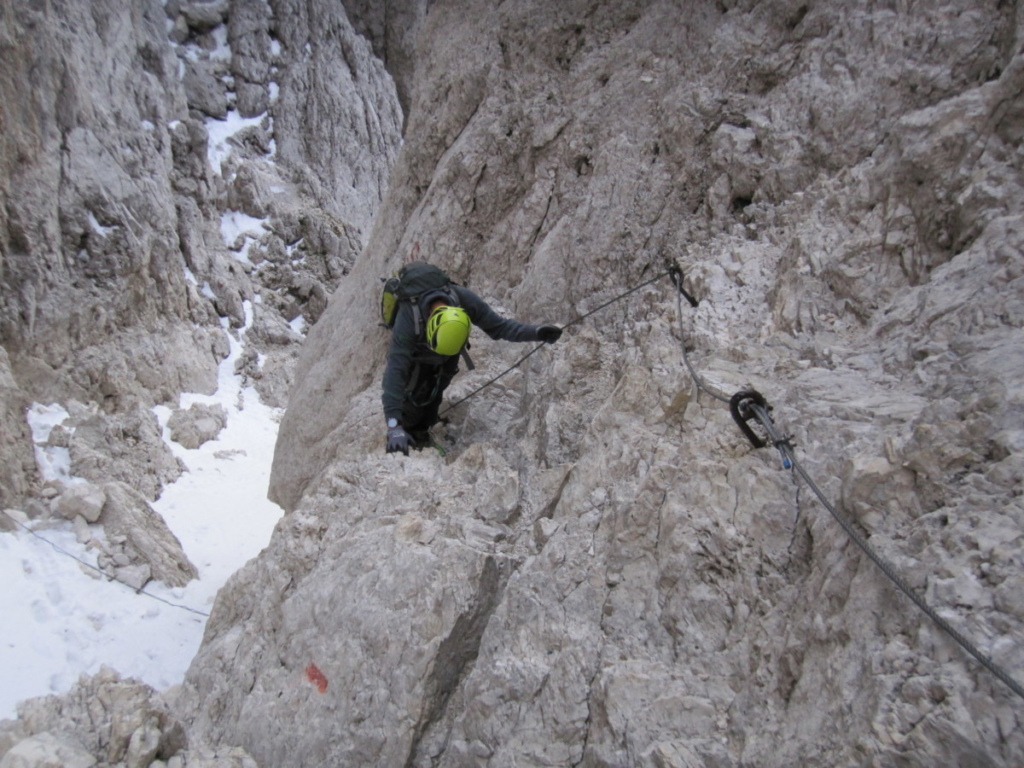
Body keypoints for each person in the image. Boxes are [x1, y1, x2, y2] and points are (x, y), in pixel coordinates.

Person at [383, 277, 562, 454]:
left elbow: (500, 327)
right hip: (418, 356)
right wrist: (393, 425)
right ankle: (407, 433)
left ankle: (423, 431)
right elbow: (394, 375)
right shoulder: (408, 318)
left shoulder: (463, 299)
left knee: (435, 392)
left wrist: (538, 333)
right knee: (414, 396)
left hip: (450, 354)